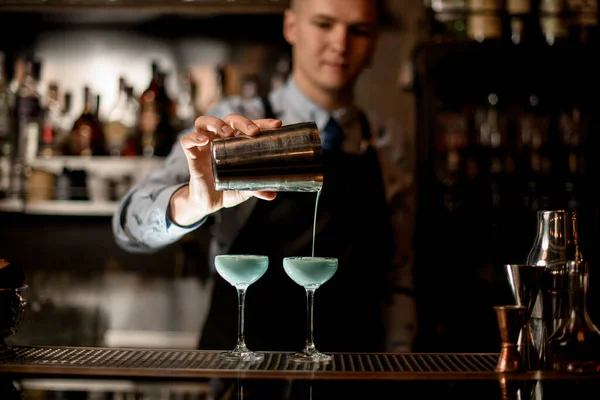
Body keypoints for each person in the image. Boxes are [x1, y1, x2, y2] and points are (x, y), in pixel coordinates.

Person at [113, 0, 416, 355]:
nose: (340, 43)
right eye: (323, 24)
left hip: (352, 369)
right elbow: (126, 226)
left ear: (375, 40)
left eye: (359, 30)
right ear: (291, 27)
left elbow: (400, 274)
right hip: (246, 367)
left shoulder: (386, 141)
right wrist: (191, 203)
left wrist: (400, 363)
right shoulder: (236, 125)